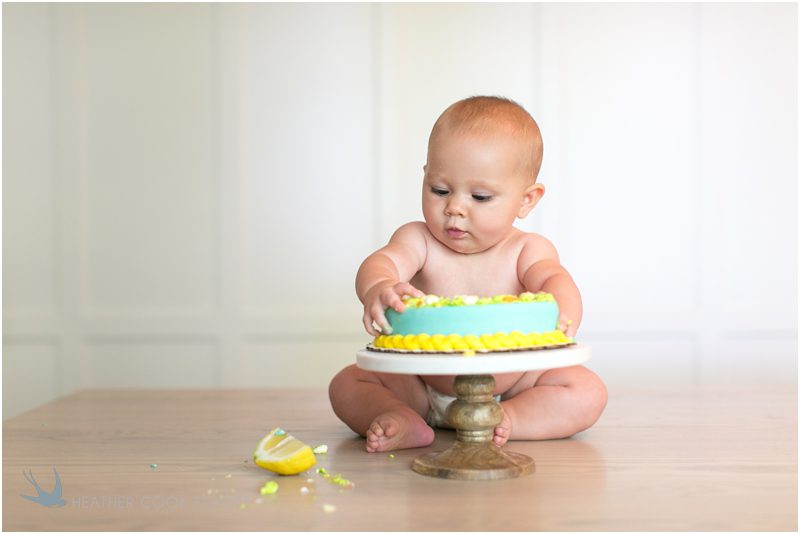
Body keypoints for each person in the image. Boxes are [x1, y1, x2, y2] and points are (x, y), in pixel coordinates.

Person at [329, 95, 607, 452]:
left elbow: (553, 279)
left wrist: (565, 309)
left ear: (526, 200)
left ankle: (509, 418)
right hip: (422, 386)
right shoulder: (419, 240)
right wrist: (380, 286)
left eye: (479, 196)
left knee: (588, 391)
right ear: (425, 177)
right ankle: (402, 418)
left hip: (513, 385)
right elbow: (383, 262)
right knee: (347, 384)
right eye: (439, 190)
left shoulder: (526, 250)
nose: (454, 208)